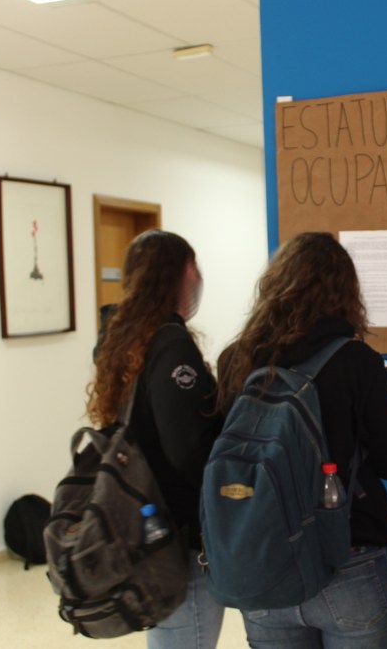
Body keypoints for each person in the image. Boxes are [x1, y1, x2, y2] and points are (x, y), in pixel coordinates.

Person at [216, 231, 387, 649]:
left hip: (265, 559)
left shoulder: (236, 359)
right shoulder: (357, 360)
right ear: (347, 293)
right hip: (350, 555)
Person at [87, 229, 225, 649]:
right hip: (177, 532)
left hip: (145, 520)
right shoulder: (170, 344)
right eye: (194, 266)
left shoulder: (121, 338)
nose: (199, 276)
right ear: (179, 272)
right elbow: (188, 450)